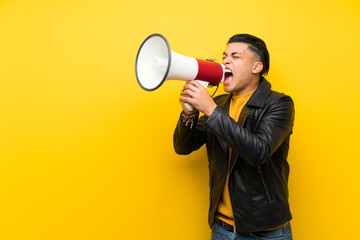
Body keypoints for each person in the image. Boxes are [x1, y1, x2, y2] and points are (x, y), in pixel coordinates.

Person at [173, 34, 295, 240]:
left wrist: (210, 109)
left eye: (235, 56)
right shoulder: (219, 104)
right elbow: (183, 146)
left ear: (256, 67)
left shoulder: (279, 104)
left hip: (265, 232)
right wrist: (190, 112)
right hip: (221, 229)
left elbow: (259, 152)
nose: (226, 61)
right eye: (225, 56)